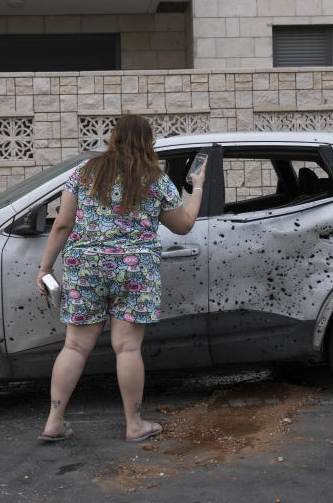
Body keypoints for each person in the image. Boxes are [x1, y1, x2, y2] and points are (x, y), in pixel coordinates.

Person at [36, 115, 206, 443]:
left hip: (85, 267)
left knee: (74, 345)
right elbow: (183, 224)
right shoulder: (154, 178)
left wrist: (45, 269)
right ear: (148, 142)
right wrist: (196, 187)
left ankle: (54, 421)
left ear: (113, 139)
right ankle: (134, 425)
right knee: (127, 348)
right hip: (134, 270)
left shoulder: (85, 172)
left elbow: (61, 225)